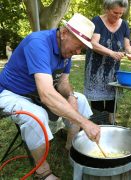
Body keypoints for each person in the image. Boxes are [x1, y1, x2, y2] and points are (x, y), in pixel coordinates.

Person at [0, 13, 100, 179]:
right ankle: (43, 172)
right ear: (64, 33)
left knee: (79, 100)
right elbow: (46, 94)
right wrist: (84, 122)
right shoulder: (38, 43)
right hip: (10, 92)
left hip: (36, 94)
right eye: (77, 46)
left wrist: (70, 95)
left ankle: (71, 148)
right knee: (36, 116)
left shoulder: (66, 51)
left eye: (81, 48)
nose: (77, 51)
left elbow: (63, 82)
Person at [84, 0, 131, 123]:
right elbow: (93, 44)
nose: (117, 16)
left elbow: (127, 44)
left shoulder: (124, 25)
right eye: (115, 12)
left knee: (113, 97)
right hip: (95, 69)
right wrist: (112, 53)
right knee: (98, 102)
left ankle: (111, 123)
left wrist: (129, 52)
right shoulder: (97, 21)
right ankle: (98, 123)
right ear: (107, 9)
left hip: (113, 70)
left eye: (121, 14)